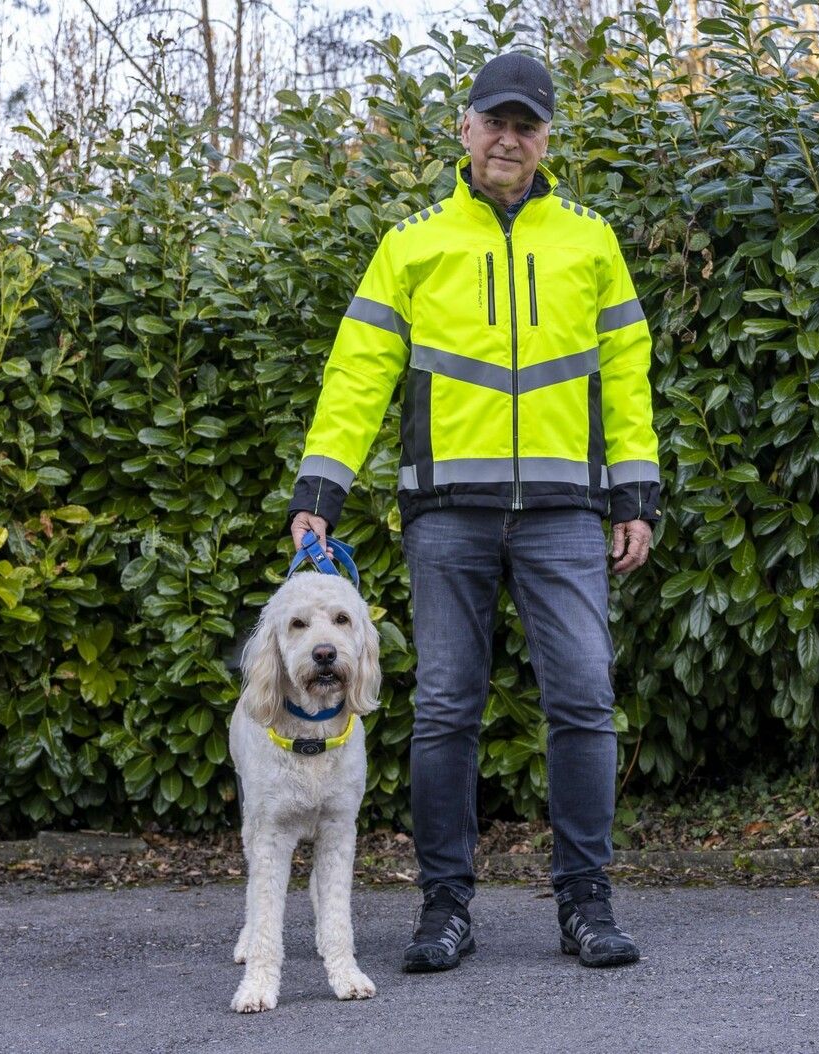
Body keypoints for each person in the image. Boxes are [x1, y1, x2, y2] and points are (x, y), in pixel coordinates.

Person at [286, 52, 661, 971]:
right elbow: (358, 372)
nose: (508, 138)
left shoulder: (591, 240)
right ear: (464, 128)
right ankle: (444, 908)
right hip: (447, 513)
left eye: (526, 125)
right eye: (495, 121)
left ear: (547, 139)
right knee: (447, 709)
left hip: (566, 511)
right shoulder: (411, 243)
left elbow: (626, 374)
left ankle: (586, 903)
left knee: (584, 700)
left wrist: (635, 493)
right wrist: (320, 490)